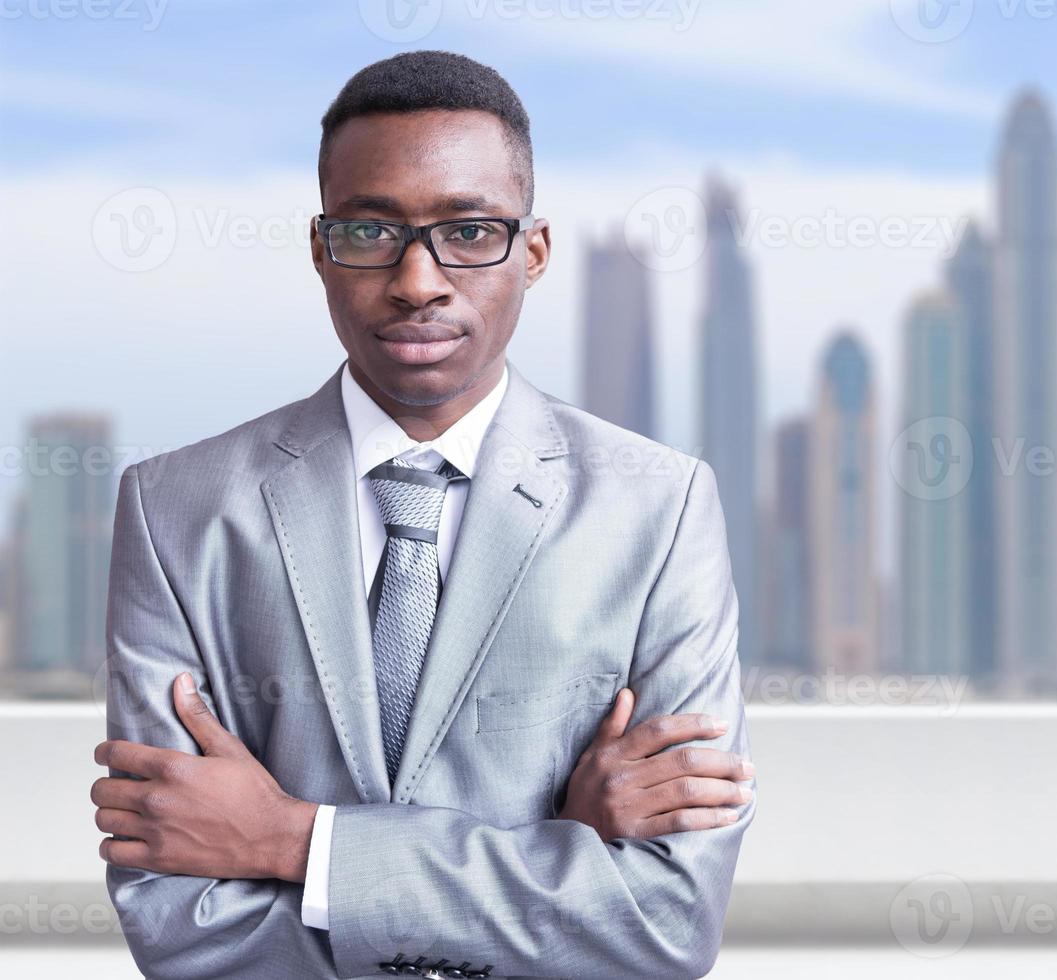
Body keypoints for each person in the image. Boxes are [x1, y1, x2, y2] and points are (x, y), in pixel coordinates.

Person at [91, 50, 754, 979]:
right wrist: (559, 852)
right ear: (320, 247)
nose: (417, 280)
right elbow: (182, 928)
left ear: (533, 251)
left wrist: (294, 844)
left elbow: (665, 922)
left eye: (470, 231)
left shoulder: (659, 504)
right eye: (370, 231)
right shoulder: (176, 509)